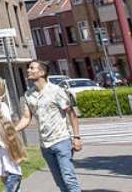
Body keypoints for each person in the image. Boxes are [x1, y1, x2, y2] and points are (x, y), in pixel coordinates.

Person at [18, 61, 84, 192]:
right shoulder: (28, 95)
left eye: (32, 68)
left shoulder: (56, 91)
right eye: (28, 68)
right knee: (59, 181)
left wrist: (76, 137)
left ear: (42, 73)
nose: (28, 71)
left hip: (61, 140)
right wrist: (12, 130)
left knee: (69, 178)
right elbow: (26, 118)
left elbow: (71, 114)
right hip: (45, 145)